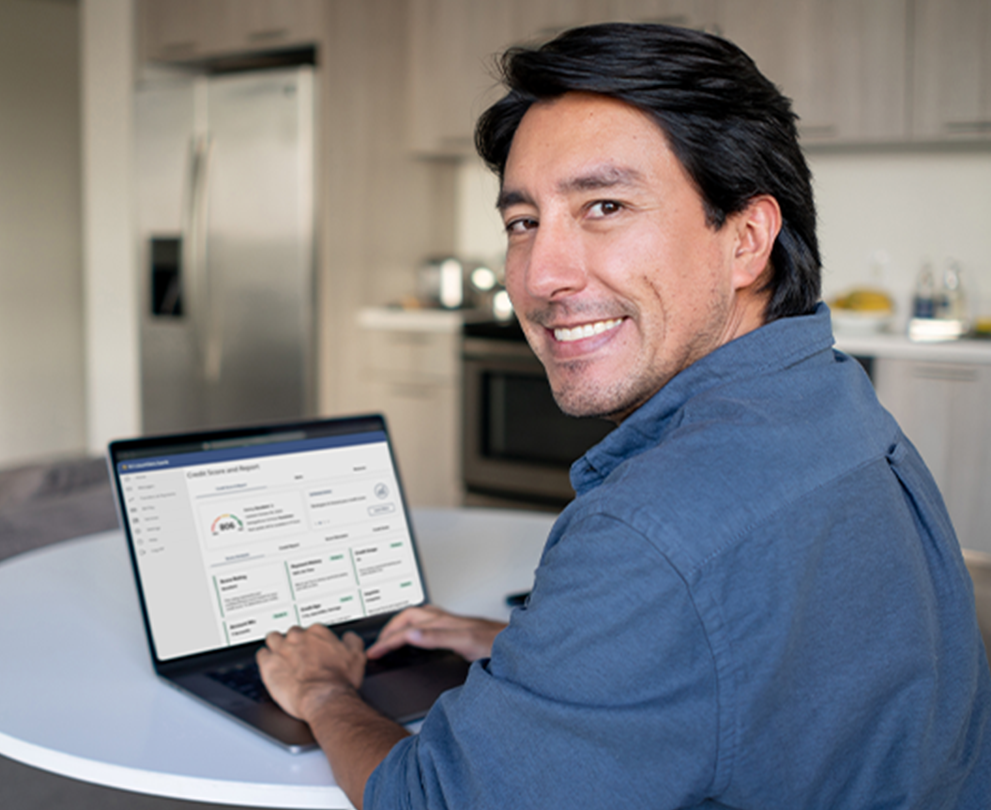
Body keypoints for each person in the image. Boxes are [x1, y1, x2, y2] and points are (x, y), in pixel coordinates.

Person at [257, 23, 991, 809]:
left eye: (604, 206)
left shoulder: (652, 533)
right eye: (522, 222)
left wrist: (326, 690)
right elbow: (779, 655)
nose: (540, 276)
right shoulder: (834, 403)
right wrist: (546, 654)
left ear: (746, 240)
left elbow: (430, 798)